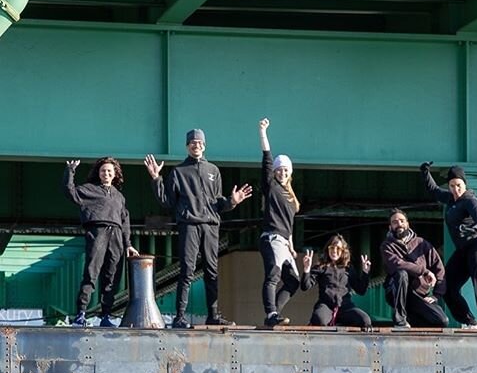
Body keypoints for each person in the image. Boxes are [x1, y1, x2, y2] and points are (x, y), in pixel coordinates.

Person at [144, 128, 252, 328]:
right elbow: (167, 201)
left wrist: (233, 201)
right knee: (187, 271)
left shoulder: (213, 171)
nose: (197, 145)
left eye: (200, 143)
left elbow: (218, 203)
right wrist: (156, 178)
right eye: (193, 143)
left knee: (212, 271)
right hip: (189, 225)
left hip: (210, 226)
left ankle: (213, 315)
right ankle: (180, 317)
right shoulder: (178, 172)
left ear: (204, 145)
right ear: (187, 146)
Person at [63, 157, 139, 327]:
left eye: (110, 171)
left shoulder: (119, 197)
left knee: (112, 276)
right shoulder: (90, 190)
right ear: (99, 172)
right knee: (91, 273)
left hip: (117, 235)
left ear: (115, 174)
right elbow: (70, 192)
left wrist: (128, 244)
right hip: (97, 232)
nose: (106, 173)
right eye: (103, 170)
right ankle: (81, 314)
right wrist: (70, 171)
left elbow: (125, 221)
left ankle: (106, 315)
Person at [420, 163, 477, 329]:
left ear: (465, 184)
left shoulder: (470, 199)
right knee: (447, 285)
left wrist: (474, 229)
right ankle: (469, 320)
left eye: (459, 185)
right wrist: (425, 172)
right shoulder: (449, 198)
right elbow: (433, 190)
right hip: (464, 249)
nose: (456, 189)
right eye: (452, 186)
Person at [258, 117, 300, 326]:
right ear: (274, 172)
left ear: (290, 173)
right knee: (273, 275)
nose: (282, 172)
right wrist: (263, 132)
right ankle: (270, 314)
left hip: (285, 241)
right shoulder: (271, 187)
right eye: (278, 169)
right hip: (272, 238)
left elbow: (289, 224)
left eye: (285, 170)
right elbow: (266, 157)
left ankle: (274, 311)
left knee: (294, 281)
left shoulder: (291, 198)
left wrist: (292, 247)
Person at [380, 208, 448, 328]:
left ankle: (412, 318)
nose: (399, 224)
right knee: (401, 273)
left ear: (407, 224)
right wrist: (424, 271)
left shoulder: (422, 243)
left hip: (417, 295)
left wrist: (436, 295)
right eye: (395, 222)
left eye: (402, 221)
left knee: (441, 320)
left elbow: (439, 269)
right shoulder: (387, 246)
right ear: (390, 226)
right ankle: (400, 321)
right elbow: (397, 264)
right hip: (396, 292)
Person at [301, 234, 372, 328]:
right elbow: (305, 286)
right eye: (332, 248)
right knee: (319, 319)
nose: (334, 251)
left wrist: (365, 273)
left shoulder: (348, 268)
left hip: (345, 306)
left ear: (343, 251)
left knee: (365, 320)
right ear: (328, 249)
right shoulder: (321, 267)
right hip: (326, 305)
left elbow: (361, 290)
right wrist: (306, 269)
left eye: (338, 249)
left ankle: (342, 324)